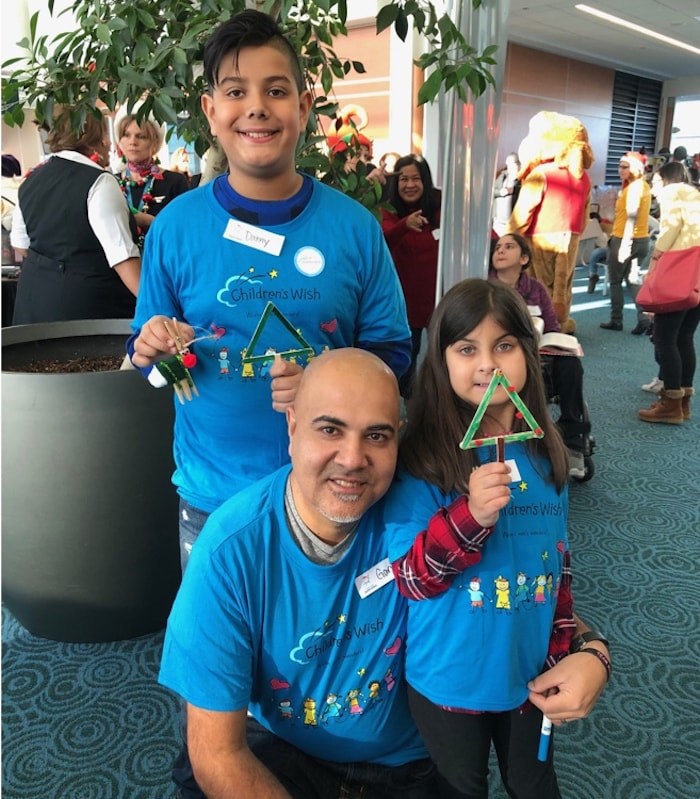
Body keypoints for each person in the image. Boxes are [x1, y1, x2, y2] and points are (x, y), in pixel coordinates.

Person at [128, 9, 411, 569]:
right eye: (236, 91)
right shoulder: (176, 228)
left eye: (276, 90)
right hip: (213, 494)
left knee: (324, 650)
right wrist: (153, 352)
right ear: (211, 111)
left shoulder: (354, 229)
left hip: (334, 488)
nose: (256, 106)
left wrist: (326, 387)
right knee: (219, 650)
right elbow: (153, 367)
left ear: (304, 107)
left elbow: (394, 354)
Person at [159, 348, 437, 798]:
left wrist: (588, 645)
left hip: (401, 766)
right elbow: (216, 753)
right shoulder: (230, 550)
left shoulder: (421, 521)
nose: (352, 458)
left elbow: (517, 569)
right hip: (280, 750)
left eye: (377, 436)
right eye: (330, 429)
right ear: (292, 426)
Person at [383, 278, 611, 799]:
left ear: (528, 356)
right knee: (458, 787)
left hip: (530, 677)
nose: (488, 364)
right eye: (467, 349)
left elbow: (557, 567)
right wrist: (472, 516)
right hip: (447, 683)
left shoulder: (544, 455)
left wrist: (565, 649)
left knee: (534, 784)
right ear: (441, 362)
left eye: (504, 345)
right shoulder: (421, 463)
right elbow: (413, 579)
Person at [10, 107, 140, 324]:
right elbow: (123, 257)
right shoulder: (99, 181)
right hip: (86, 312)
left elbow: (21, 245)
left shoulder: (31, 181)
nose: (108, 143)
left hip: (32, 307)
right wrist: (160, 308)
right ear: (89, 139)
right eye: (104, 135)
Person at [490, 234, 589, 478]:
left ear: (524, 258)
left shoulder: (535, 289)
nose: (500, 251)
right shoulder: (486, 288)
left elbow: (553, 326)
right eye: (497, 248)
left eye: (509, 247)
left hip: (538, 361)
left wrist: (549, 341)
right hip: (498, 364)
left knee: (570, 364)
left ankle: (573, 441)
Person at [507, 111, 594, 334]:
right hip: (571, 237)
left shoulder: (541, 173)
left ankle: (541, 326)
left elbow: (522, 215)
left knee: (537, 284)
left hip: (540, 237)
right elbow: (585, 215)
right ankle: (561, 323)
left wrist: (509, 239)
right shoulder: (583, 178)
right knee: (563, 284)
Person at [638, 161, 700, 424]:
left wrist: (656, 259)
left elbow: (672, 228)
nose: (653, 188)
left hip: (678, 271)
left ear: (664, 180)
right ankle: (682, 401)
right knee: (685, 337)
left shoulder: (674, 193)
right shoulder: (695, 195)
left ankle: (670, 404)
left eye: (654, 182)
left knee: (665, 339)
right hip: (696, 274)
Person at [381, 154, 441, 397]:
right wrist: (404, 225)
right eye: (403, 179)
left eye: (416, 178)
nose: (409, 184)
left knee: (444, 353)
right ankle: (406, 409)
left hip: (439, 297)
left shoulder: (439, 203)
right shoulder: (388, 209)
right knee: (408, 356)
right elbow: (382, 241)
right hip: (405, 301)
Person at [115, 111, 189, 247]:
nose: (132, 142)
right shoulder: (110, 182)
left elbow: (185, 231)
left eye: (141, 136)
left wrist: (149, 221)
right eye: (126, 135)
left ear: (154, 142)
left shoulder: (174, 181)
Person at [599, 152, 651, 332]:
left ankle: (616, 320)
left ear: (635, 168)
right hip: (641, 239)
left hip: (625, 239)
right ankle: (644, 317)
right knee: (633, 280)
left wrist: (625, 244)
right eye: (620, 166)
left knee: (615, 281)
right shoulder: (641, 186)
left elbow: (631, 217)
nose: (620, 170)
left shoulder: (635, 188)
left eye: (625, 166)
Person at [492, 152, 520, 237]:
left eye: (512, 164)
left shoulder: (522, 178)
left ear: (518, 164)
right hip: (498, 222)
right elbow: (493, 191)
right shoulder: (502, 176)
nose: (510, 167)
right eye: (508, 164)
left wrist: (514, 190)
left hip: (513, 223)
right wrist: (501, 192)